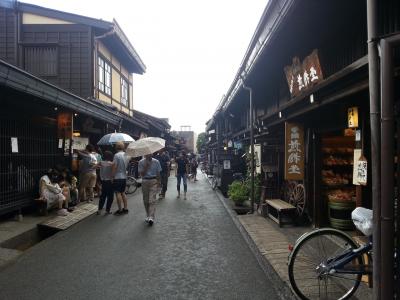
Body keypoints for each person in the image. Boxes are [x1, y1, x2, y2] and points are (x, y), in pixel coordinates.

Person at [138, 153, 162, 226]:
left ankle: (151, 217)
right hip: (145, 181)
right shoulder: (141, 162)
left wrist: (159, 182)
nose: (149, 154)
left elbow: (158, 173)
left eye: (150, 153)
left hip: (153, 181)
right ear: (145, 154)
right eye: (147, 153)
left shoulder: (156, 161)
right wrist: (146, 166)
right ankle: (148, 215)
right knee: (145, 200)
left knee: (152, 200)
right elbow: (141, 174)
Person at [112, 142, 129, 215]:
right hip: (124, 176)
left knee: (118, 193)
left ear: (116, 147)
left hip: (118, 177)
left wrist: (112, 176)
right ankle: (125, 208)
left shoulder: (116, 155)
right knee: (123, 193)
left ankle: (120, 210)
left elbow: (114, 167)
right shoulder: (126, 155)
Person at [98, 151, 114, 215]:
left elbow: (94, 167)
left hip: (103, 181)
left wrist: (100, 167)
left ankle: (99, 210)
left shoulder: (101, 162)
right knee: (110, 196)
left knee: (103, 196)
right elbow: (113, 173)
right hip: (110, 181)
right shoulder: (112, 164)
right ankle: (107, 210)